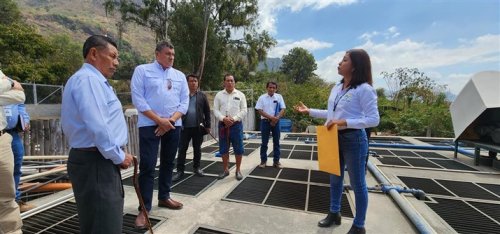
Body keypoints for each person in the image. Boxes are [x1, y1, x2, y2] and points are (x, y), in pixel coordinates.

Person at [294, 49, 379, 234]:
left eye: (344, 60)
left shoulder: (364, 89)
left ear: (355, 66)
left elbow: (374, 119)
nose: (339, 63)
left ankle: (359, 225)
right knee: (334, 178)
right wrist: (309, 111)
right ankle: (334, 213)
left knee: (358, 184)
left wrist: (345, 122)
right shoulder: (337, 87)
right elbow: (331, 115)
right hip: (333, 137)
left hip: (354, 139)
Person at [61, 35, 134, 234]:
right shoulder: (89, 80)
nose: (116, 62)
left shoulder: (92, 81)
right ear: (94, 53)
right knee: (104, 225)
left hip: (96, 160)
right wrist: (119, 156)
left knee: (97, 223)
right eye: (112, 56)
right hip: (97, 161)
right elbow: (99, 127)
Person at [131, 41, 189, 228]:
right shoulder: (143, 70)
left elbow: (184, 103)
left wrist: (169, 121)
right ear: (157, 54)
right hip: (149, 125)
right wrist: (159, 120)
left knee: (168, 162)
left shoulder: (179, 75)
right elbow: (138, 100)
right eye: (167, 54)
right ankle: (144, 208)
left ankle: (164, 197)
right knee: (147, 166)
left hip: (173, 125)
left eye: (173, 54)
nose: (171, 57)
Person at [172, 74, 211, 182]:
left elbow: (207, 112)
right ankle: (180, 171)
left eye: (195, 81)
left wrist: (208, 126)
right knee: (182, 150)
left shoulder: (202, 96)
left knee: (197, 149)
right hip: (184, 128)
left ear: (198, 83)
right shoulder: (181, 95)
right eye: (191, 81)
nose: (193, 83)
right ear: (186, 83)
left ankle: (197, 168)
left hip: (198, 128)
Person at [0, 70, 25, 234]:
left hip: (1, 140)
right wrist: (9, 84)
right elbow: (14, 89)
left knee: (6, 198)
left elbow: (20, 96)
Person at [213, 74, 247, 180]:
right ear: (224, 82)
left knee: (238, 148)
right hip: (223, 125)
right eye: (227, 80)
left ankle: (238, 170)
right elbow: (215, 110)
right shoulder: (219, 95)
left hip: (236, 126)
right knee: (223, 148)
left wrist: (234, 119)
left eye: (232, 81)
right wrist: (223, 118)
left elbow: (244, 110)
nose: (230, 83)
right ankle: (225, 170)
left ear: (234, 82)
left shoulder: (240, 95)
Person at [3, 103, 33, 212]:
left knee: (16, 167)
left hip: (13, 132)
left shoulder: (13, 90)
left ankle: (15, 201)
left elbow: (20, 106)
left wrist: (25, 120)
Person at [255, 81, 286, 169]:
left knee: (276, 142)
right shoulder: (262, 98)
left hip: (276, 122)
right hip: (265, 122)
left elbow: (283, 109)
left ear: (276, 89)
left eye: (274, 88)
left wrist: (276, 118)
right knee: (264, 143)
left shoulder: (279, 97)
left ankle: (276, 162)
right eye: (270, 87)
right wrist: (271, 118)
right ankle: (263, 161)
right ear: (267, 88)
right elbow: (259, 110)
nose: (272, 89)